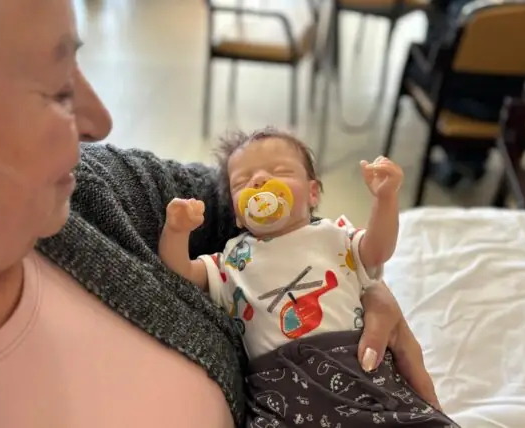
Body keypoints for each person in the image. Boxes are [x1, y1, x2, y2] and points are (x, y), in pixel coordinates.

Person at [0, 0, 440, 427]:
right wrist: (178, 231)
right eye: (55, 90)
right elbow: (191, 262)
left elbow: (251, 206)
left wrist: (359, 282)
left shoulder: (91, 192)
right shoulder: (231, 259)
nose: (101, 122)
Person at [159, 128, 459, 427]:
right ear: (237, 215)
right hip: (280, 388)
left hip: (357, 369)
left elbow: (378, 250)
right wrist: (176, 231)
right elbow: (180, 273)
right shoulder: (231, 259)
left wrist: (385, 199)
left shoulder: (335, 235)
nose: (259, 181)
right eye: (242, 182)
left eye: (280, 171)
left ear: (312, 193)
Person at [410, 0, 525, 187]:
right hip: (516, 103)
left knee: (420, 63)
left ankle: (461, 158)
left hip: (458, 96)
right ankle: (468, 159)